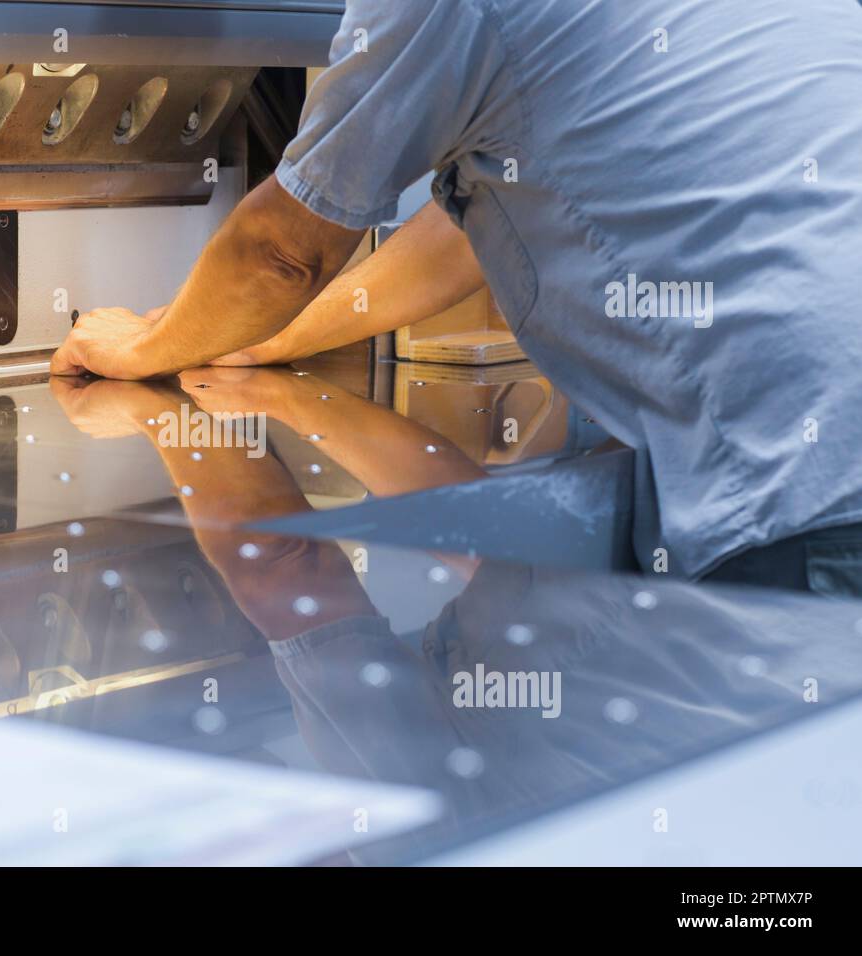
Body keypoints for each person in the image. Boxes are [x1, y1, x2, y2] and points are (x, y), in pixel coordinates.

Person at [50, 0, 862, 589]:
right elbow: (460, 237)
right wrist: (258, 341)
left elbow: (280, 252)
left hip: (803, 485)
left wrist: (144, 351)